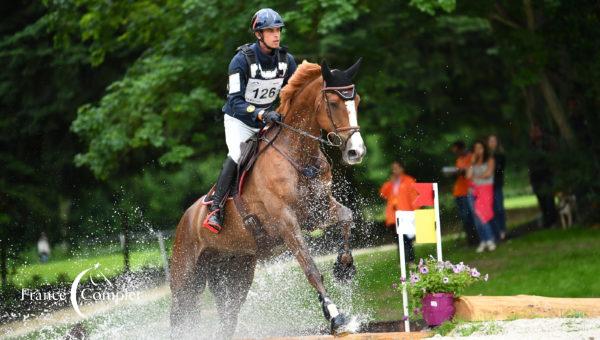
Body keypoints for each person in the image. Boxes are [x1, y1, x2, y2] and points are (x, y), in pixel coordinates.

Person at [203, 8, 297, 233]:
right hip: (240, 121)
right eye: (270, 31)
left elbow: (296, 93)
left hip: (270, 120)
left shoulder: (287, 60)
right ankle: (216, 209)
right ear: (258, 35)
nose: (276, 35)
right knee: (237, 154)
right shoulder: (240, 60)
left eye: (278, 30)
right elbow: (235, 101)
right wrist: (262, 113)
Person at [380, 161, 418, 263]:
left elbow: (414, 198)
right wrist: (390, 183)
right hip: (393, 216)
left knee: (408, 240)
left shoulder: (409, 181)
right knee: (398, 239)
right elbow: (383, 194)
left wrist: (415, 213)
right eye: (393, 168)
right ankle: (402, 261)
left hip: (406, 215)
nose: (394, 170)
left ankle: (410, 260)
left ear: (402, 169)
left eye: (396, 168)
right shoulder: (391, 183)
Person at [466, 141, 497, 252]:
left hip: (485, 191)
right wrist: (472, 163)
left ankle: (490, 239)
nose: (478, 150)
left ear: (484, 149)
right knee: (476, 217)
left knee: (483, 214)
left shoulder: (490, 160)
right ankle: (483, 240)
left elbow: (488, 174)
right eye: (476, 148)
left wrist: (476, 177)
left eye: (480, 148)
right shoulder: (473, 162)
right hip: (472, 191)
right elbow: (468, 176)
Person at [528, 123, 558, 228]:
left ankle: (552, 221)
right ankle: (547, 221)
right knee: (542, 200)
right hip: (536, 177)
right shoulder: (530, 145)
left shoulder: (547, 142)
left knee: (549, 200)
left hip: (547, 175)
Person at [450, 141, 479, 246]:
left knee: (470, 217)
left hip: (468, 191)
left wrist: (462, 171)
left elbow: (470, 172)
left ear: (461, 149)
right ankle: (470, 240)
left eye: (456, 151)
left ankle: (476, 239)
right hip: (459, 192)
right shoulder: (459, 159)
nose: (455, 153)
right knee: (464, 217)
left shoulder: (470, 157)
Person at [488, 134, 507, 240]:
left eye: (494, 141)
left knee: (499, 208)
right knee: (492, 209)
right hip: (487, 186)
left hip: (497, 185)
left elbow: (498, 170)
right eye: (490, 141)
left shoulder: (500, 155)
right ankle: (495, 232)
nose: (492, 143)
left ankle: (502, 230)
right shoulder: (486, 156)